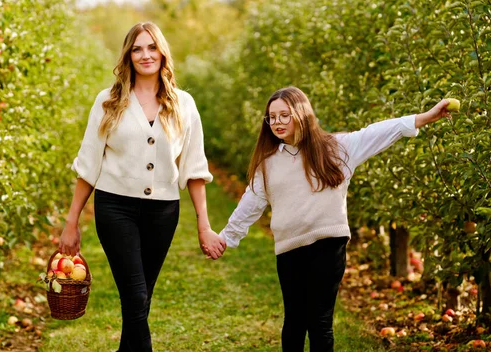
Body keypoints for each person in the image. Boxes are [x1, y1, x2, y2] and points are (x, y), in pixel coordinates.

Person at [218, 86, 452, 352]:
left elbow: (378, 132)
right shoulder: (267, 165)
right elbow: (250, 203)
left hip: (328, 246)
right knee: (294, 320)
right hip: (289, 250)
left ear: (301, 114)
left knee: (319, 321)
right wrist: (226, 238)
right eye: (272, 117)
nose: (277, 122)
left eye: (284, 115)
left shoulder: (337, 148)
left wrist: (425, 117)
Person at [59, 22, 226, 352]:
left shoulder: (183, 104)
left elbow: (193, 168)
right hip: (115, 207)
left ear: (162, 53)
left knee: (140, 300)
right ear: (128, 56)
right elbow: (88, 164)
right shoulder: (108, 101)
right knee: (135, 295)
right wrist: (71, 221)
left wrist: (203, 226)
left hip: (162, 212)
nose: (145, 54)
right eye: (137, 49)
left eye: (152, 47)